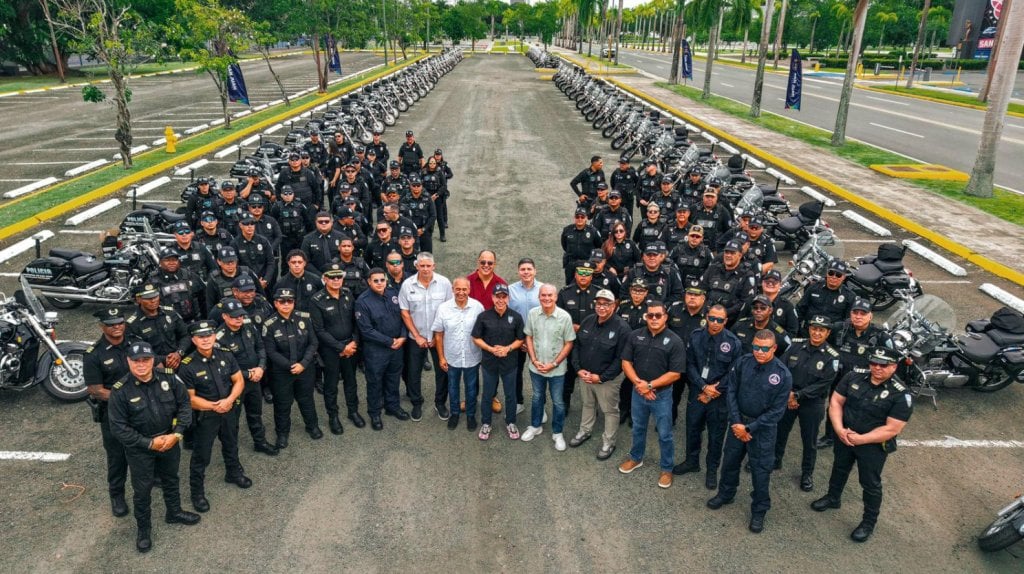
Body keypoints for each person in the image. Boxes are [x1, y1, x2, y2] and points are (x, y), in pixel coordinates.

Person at [811, 346, 912, 542]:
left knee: (870, 483)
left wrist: (861, 439)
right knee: (839, 468)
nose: (877, 368)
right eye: (874, 363)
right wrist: (839, 429)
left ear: (894, 367)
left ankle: (868, 522)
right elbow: (836, 402)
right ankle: (833, 497)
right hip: (845, 436)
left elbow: (892, 429)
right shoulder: (853, 376)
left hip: (872, 445)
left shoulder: (901, 394)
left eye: (884, 365)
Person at [107, 341, 200, 553]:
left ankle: (174, 512)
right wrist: (149, 443)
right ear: (128, 361)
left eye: (146, 360)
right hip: (140, 448)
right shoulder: (120, 391)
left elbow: (184, 405)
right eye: (136, 361)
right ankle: (144, 530)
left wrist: (177, 434)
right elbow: (119, 428)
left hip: (169, 440)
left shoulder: (169, 378)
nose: (141, 365)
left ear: (153, 360)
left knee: (171, 478)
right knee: (142, 490)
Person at [707, 330, 792, 534]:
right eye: (756, 347)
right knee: (730, 462)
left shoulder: (783, 374)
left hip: (762, 430)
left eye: (765, 348)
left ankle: (759, 510)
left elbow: (777, 411)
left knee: (760, 471)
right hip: (738, 423)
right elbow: (731, 392)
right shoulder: (743, 362)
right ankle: (726, 494)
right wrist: (737, 422)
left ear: (774, 348)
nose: (760, 352)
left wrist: (749, 428)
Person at [177, 321, 248, 514]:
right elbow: (190, 399)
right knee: (201, 456)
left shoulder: (226, 354)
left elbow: (239, 380)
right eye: (200, 337)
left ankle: (233, 473)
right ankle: (197, 493)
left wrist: (229, 400)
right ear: (193, 340)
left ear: (214, 336)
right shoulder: (187, 366)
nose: (205, 339)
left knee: (231, 443)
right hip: (205, 416)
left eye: (209, 335)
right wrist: (215, 406)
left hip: (228, 409)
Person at [618, 300, 686, 489]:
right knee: (638, 428)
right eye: (650, 315)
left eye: (658, 315)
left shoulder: (675, 341)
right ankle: (636, 458)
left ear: (665, 317)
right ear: (646, 317)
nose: (654, 318)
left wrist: (649, 386)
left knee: (665, 434)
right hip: (638, 392)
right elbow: (626, 362)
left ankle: (667, 468)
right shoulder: (635, 335)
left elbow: (675, 373)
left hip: (661, 396)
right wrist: (639, 385)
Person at [676, 305, 742, 488]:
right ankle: (691, 462)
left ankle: (712, 470)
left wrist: (713, 390)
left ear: (725, 321)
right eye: (712, 318)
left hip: (719, 396)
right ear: (706, 317)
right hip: (698, 390)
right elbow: (689, 364)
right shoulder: (696, 336)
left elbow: (734, 372)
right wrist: (703, 387)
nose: (715, 323)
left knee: (716, 435)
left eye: (720, 320)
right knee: (692, 428)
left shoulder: (733, 342)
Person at [775, 315, 840, 492]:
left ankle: (807, 473)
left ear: (827, 333)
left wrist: (797, 395)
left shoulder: (832, 356)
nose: (817, 333)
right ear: (809, 329)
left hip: (812, 403)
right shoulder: (795, 345)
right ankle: (775, 460)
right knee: (780, 431)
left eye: (821, 330)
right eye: (814, 329)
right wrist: (789, 393)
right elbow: (781, 368)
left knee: (809, 441)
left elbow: (823, 384)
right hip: (789, 396)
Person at [568, 289, 631, 460]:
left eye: (606, 304)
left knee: (610, 410)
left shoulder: (622, 328)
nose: (601, 307)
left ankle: (609, 442)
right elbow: (577, 346)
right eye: (599, 303)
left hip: (607, 380)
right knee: (588, 404)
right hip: (585, 375)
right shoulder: (588, 320)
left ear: (614, 306)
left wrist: (601, 378)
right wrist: (578, 369)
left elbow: (621, 359)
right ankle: (585, 431)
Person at [84, 308, 131, 517]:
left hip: (141, 409)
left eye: (120, 322)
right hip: (113, 412)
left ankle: (155, 478)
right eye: (111, 324)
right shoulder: (93, 354)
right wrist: (129, 399)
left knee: (148, 446)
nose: (117, 327)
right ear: (101, 326)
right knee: (117, 456)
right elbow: (96, 390)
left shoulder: (135, 344)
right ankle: (117, 495)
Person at [215, 299, 278, 456]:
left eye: (241, 315)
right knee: (232, 420)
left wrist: (261, 367)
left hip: (254, 379)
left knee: (255, 413)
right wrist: (247, 374)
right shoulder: (219, 338)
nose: (239, 319)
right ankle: (232, 452)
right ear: (224, 316)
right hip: (234, 385)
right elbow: (223, 368)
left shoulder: (248, 325)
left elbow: (260, 347)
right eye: (234, 316)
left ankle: (260, 442)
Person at [262, 287, 321, 449]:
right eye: (282, 301)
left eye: (289, 301)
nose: (286, 304)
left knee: (306, 399)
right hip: (282, 372)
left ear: (294, 302)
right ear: (275, 303)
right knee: (282, 403)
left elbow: (313, 343)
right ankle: (282, 433)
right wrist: (290, 366)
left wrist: (303, 363)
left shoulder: (305, 318)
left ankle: (312, 426)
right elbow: (271, 351)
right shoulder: (269, 324)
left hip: (305, 368)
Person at [398, 252, 453, 421]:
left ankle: (440, 403)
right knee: (413, 372)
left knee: (442, 371)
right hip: (417, 337)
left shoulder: (444, 283)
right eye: (422, 265)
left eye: (428, 265)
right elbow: (405, 312)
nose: (425, 269)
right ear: (416, 266)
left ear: (434, 266)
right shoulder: (407, 285)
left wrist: (438, 336)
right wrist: (417, 336)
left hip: (439, 337)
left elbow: (449, 310)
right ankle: (416, 403)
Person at [521, 284, 576, 450]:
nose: (546, 298)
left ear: (556, 297)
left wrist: (554, 363)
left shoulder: (565, 317)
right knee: (537, 397)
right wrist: (533, 359)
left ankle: (557, 433)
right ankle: (535, 426)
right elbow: (529, 336)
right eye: (543, 295)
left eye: (550, 295)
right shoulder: (533, 314)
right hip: (536, 367)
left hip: (557, 370)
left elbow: (569, 343)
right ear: (539, 297)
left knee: (558, 402)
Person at [355, 268, 409, 430]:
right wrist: (390, 341)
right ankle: (375, 413)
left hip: (397, 346)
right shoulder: (362, 302)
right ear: (369, 282)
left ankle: (392, 406)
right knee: (375, 382)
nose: (379, 283)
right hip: (376, 350)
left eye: (382, 280)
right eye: (375, 280)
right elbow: (366, 330)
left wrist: (403, 336)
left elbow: (404, 316)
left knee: (394, 378)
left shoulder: (393, 294)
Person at [472, 284, 525, 441]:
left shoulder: (516, 317)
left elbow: (520, 339)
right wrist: (490, 349)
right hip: (489, 363)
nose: (501, 300)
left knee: (510, 395)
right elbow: (476, 337)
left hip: (509, 364)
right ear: (493, 297)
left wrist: (507, 349)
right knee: (487, 395)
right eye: (498, 297)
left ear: (508, 298)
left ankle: (511, 422)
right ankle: (486, 423)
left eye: (504, 297)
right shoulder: (483, 316)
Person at [432, 277, 485, 431]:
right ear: (452, 290)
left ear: (469, 290)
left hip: (472, 356)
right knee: (453, 387)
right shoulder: (443, 308)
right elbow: (438, 335)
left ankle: (470, 415)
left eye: (464, 289)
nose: (461, 292)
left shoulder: (478, 307)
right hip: (452, 357)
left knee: (471, 388)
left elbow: (483, 332)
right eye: (458, 289)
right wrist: (441, 357)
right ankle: (454, 413)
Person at [125, 283, 189, 370]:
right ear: (138, 299)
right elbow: (138, 349)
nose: (153, 301)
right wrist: (159, 360)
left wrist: (179, 352)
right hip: (153, 364)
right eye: (148, 298)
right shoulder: (133, 324)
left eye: (155, 296)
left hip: (178, 358)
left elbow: (185, 335)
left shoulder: (170, 313)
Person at [508, 258, 541, 415]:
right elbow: (507, 315)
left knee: (540, 372)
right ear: (518, 271)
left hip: (539, 339)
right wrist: (518, 339)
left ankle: (540, 405)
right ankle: (518, 401)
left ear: (535, 271)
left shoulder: (543, 289)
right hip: (518, 339)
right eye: (523, 269)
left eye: (529, 269)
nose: (526, 272)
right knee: (516, 372)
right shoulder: (510, 290)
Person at [701, 240, 756, 323]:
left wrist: (723, 313)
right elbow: (702, 290)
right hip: (708, 315)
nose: (728, 255)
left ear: (740, 255)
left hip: (731, 320)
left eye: (732, 253)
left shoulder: (746, 275)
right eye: (726, 252)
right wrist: (709, 310)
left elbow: (745, 303)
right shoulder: (713, 269)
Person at [149, 247, 205, 323]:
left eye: (174, 260)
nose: (171, 263)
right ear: (160, 262)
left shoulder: (190, 276)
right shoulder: (153, 281)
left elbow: (204, 297)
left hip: (192, 321)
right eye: (167, 260)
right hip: (167, 323)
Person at [797, 260, 856, 332]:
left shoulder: (849, 296)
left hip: (832, 333)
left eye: (838, 275)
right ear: (827, 273)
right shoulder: (814, 287)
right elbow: (799, 309)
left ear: (843, 277)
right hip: (810, 330)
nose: (834, 277)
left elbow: (848, 320)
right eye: (831, 273)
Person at [233, 214, 277, 292]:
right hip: (245, 284)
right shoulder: (235, 243)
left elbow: (271, 262)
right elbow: (235, 266)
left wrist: (266, 280)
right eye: (246, 224)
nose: (250, 226)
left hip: (264, 282)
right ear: (240, 225)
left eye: (252, 223)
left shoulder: (263, 241)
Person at [560, 208, 602, 284]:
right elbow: (564, 245)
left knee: (586, 285)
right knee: (570, 286)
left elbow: (599, 246)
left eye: (582, 217)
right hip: (571, 264)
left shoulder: (593, 231)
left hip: (586, 264)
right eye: (577, 217)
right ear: (574, 218)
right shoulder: (567, 230)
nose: (580, 219)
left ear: (586, 218)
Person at [760, 269, 800, 337]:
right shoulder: (751, 301)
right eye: (767, 281)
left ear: (780, 285)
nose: (770, 283)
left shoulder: (787, 307)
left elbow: (792, 332)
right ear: (762, 283)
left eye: (774, 282)